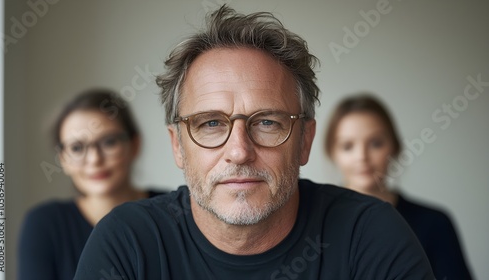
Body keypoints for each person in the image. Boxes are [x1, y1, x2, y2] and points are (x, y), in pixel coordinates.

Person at [74, 6, 434, 279]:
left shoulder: (370, 235)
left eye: (267, 122)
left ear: (305, 140)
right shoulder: (126, 243)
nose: (239, 151)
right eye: (211, 123)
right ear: (178, 146)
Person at [17, 89, 166, 280]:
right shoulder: (44, 224)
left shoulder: (173, 211)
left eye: (109, 142)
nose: (94, 159)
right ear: (62, 159)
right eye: (77, 148)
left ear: (134, 145)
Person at [324, 93, 473, 280]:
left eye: (376, 143)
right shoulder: (315, 227)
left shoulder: (434, 224)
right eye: (348, 146)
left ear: (394, 146)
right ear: (332, 152)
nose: (362, 156)